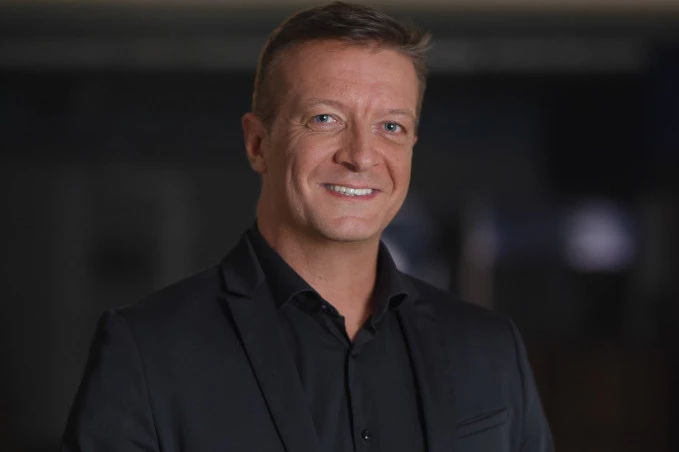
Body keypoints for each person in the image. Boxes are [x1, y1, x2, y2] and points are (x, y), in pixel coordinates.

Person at [62, 2, 553, 451]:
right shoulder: (147, 351)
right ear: (258, 144)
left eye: (391, 127)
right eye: (325, 119)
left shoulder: (490, 348)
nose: (361, 156)